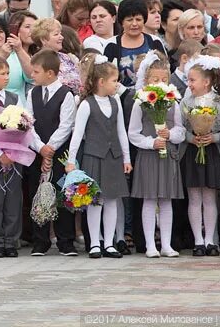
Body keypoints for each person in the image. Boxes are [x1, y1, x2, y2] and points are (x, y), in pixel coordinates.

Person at [0, 56, 44, 258]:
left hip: (15, 157)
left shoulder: (13, 99)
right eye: (2, 73)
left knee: (13, 198)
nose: (6, 77)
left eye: (7, 73)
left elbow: (26, 125)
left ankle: (11, 240)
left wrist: (34, 147)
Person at [65, 57, 132, 259]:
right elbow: (77, 134)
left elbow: (122, 132)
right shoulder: (87, 104)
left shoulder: (116, 102)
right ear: (101, 81)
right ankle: (95, 243)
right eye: (114, 80)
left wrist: (126, 158)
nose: (117, 84)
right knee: (95, 200)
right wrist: (71, 160)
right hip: (94, 156)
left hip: (113, 157)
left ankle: (109, 243)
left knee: (112, 200)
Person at [128, 52, 184, 258]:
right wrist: (151, 142)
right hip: (149, 156)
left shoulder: (173, 102)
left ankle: (167, 244)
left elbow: (180, 130)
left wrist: (170, 135)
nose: (160, 83)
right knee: (150, 200)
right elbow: (133, 133)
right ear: (146, 81)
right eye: (155, 80)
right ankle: (151, 244)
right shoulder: (140, 102)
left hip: (168, 154)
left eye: (164, 80)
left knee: (167, 200)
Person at [27, 50, 79, 256]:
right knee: (38, 194)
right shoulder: (33, 93)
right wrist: (40, 148)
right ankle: (40, 240)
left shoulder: (66, 94)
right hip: (38, 151)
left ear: (50, 73)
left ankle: (65, 240)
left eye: (36, 71)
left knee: (60, 195)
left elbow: (66, 125)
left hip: (59, 154)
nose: (32, 75)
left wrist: (51, 148)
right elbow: (28, 123)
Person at [180, 56, 220, 257]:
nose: (189, 84)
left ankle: (210, 240)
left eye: (193, 80)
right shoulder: (185, 101)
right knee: (194, 197)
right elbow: (180, 127)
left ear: (206, 81)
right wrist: (191, 138)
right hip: (193, 150)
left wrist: (213, 137)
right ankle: (197, 241)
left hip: (211, 151)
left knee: (209, 197)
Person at [104, 0, 167, 87]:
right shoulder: (111, 44)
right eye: (129, 20)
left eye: (138, 19)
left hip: (152, 96)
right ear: (122, 22)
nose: (134, 24)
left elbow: (165, 70)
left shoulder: (154, 41)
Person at [31, 17, 81, 96]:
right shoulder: (38, 61)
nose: (62, 37)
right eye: (56, 34)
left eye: (60, 33)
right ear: (43, 39)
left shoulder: (67, 58)